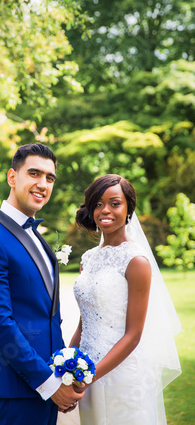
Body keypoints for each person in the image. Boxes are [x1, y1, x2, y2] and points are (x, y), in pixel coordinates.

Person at [0, 143, 84, 425]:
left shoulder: (36, 235)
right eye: (34, 173)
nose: (42, 184)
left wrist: (62, 375)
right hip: (17, 388)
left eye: (50, 178)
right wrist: (48, 384)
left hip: (48, 381)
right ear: (12, 177)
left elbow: (44, 313)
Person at [70, 174, 181, 425]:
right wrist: (66, 367)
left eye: (114, 203)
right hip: (86, 372)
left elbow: (133, 335)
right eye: (98, 203)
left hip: (122, 374)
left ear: (129, 207)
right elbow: (83, 323)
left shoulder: (136, 261)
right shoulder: (87, 259)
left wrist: (90, 375)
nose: (105, 210)